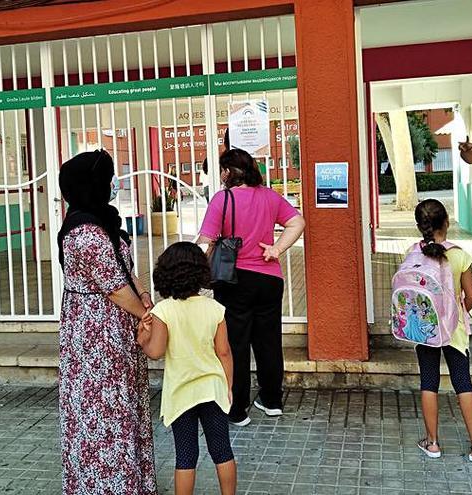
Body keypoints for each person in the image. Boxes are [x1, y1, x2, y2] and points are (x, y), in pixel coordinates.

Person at [56, 149, 156, 494]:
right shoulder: (85, 234)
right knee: (102, 409)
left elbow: (123, 270)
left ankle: (133, 482)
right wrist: (147, 314)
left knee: (122, 403)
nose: (113, 184)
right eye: (108, 178)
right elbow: (113, 288)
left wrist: (142, 293)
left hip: (115, 328)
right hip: (96, 334)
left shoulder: (103, 222)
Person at [198, 148, 305, 426]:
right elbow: (297, 222)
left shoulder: (223, 199)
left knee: (236, 343)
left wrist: (195, 270)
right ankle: (272, 400)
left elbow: (206, 241)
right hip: (270, 279)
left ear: (227, 172)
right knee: (268, 340)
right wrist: (276, 249)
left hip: (235, 280)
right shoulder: (269, 196)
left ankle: (237, 408)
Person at [137, 242, 236, 495]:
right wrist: (228, 386)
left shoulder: (163, 311)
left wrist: (142, 340)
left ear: (165, 274)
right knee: (222, 450)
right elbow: (224, 352)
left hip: (181, 393)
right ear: (201, 273)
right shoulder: (214, 308)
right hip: (212, 388)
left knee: (186, 456)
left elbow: (156, 352)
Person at [409, 199, 472, 463]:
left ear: (420, 225)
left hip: (425, 329)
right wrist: (458, 313)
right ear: (446, 222)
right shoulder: (460, 254)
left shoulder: (412, 252)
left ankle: (432, 443)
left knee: (428, 382)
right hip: (454, 330)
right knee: (463, 383)